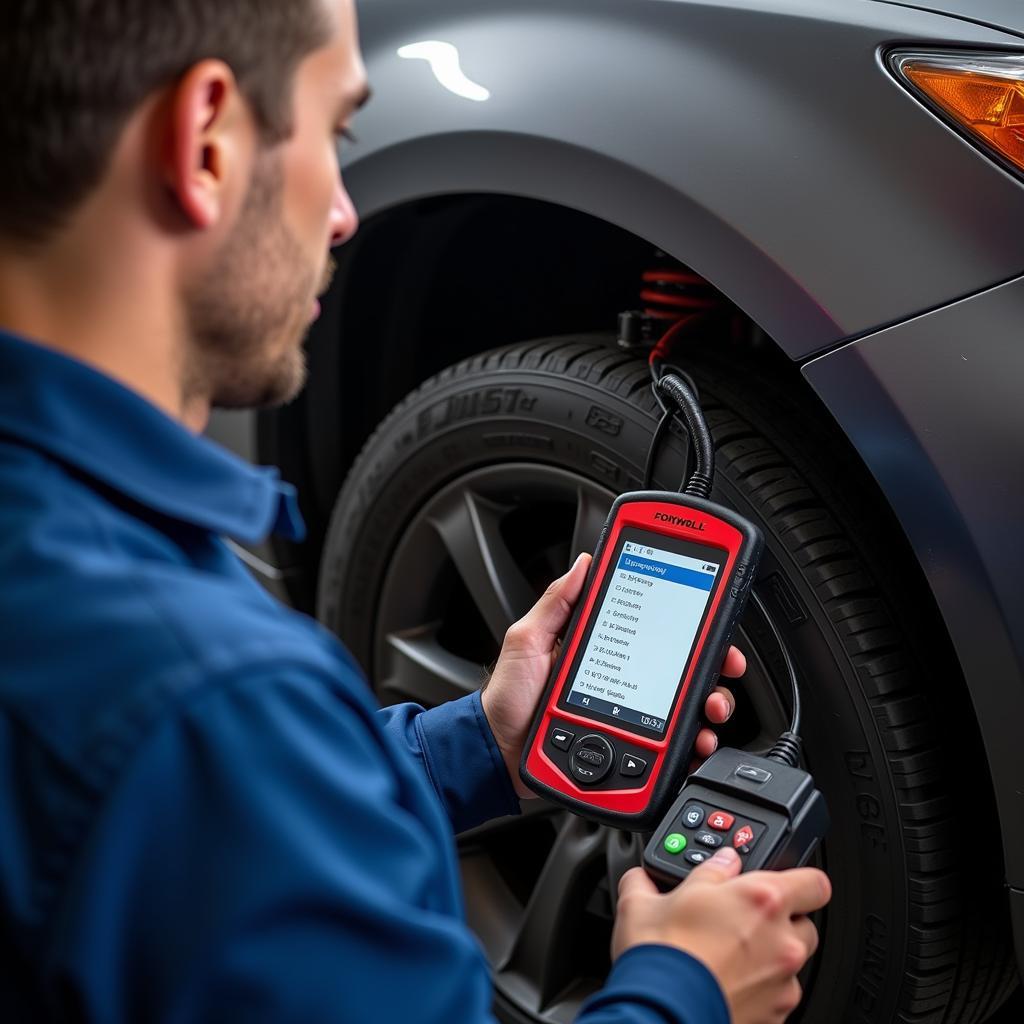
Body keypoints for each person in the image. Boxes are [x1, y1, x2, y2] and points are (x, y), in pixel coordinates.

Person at [0, 1, 831, 1021]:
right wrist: (684, 991)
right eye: (333, 134)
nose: (345, 211)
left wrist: (482, 745)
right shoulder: (213, 706)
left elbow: (219, 824)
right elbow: (215, 772)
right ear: (206, 141)